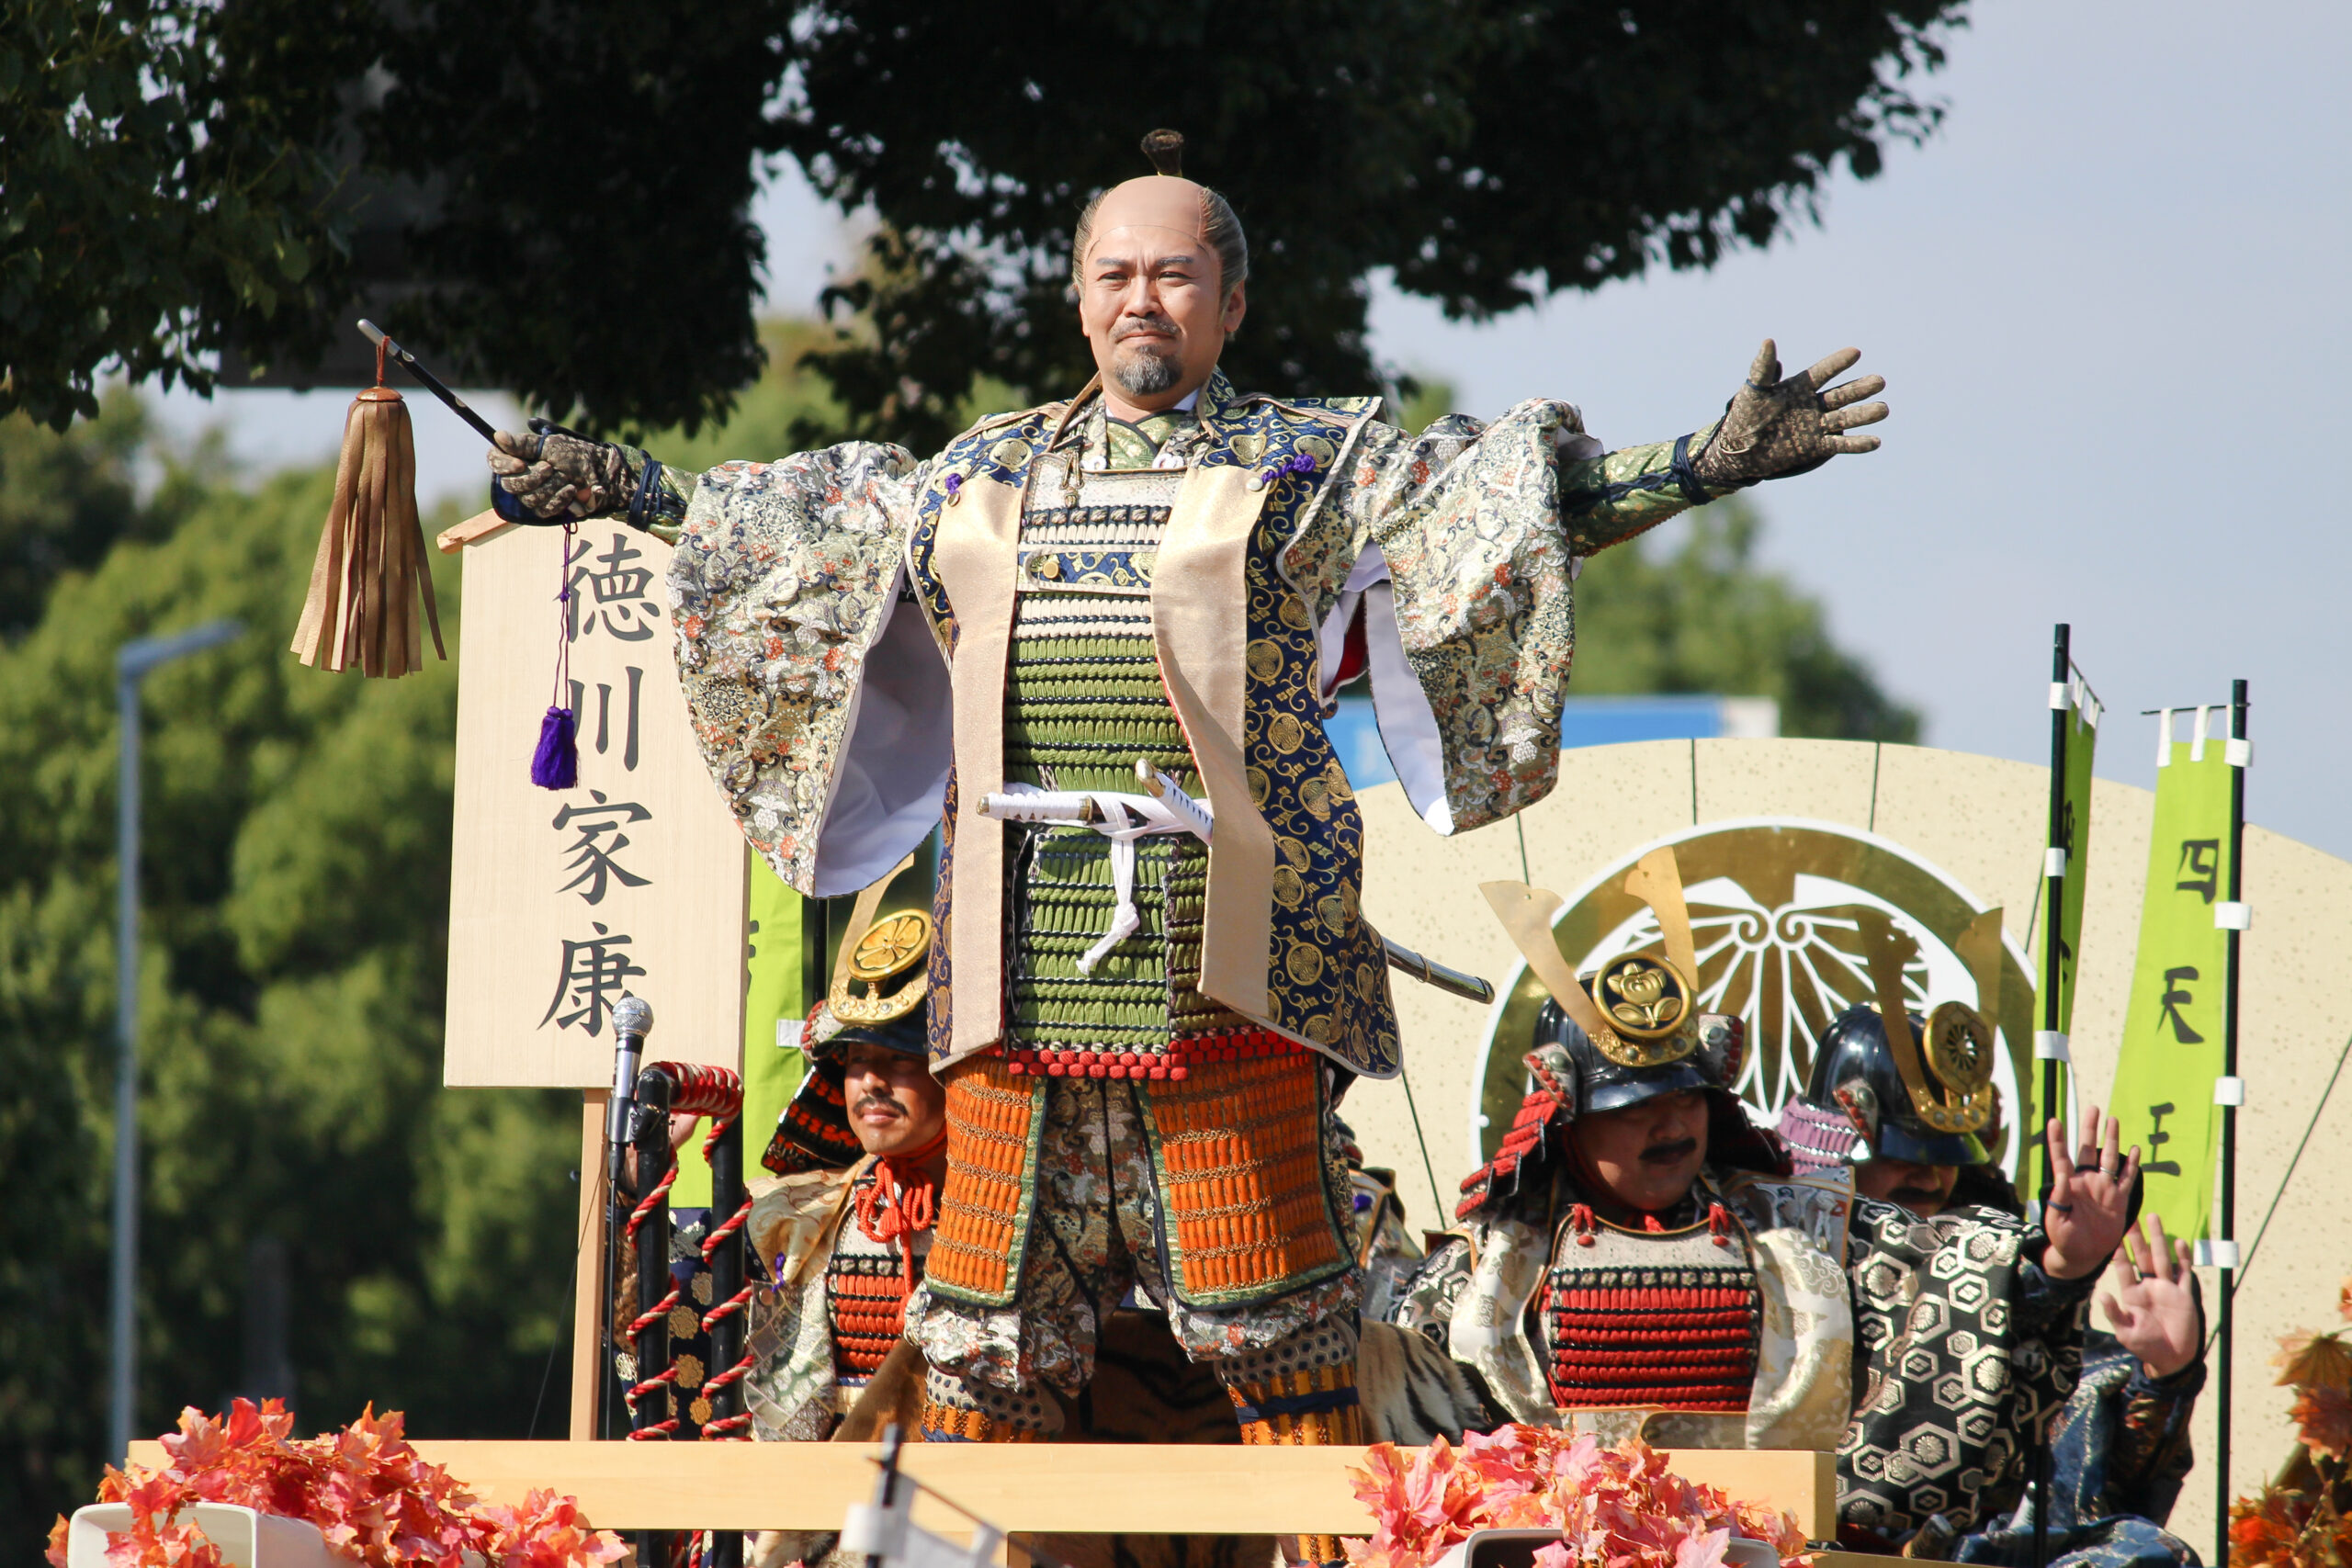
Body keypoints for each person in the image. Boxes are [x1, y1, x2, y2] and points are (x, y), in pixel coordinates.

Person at [489, 127, 1886, 1562]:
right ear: (1079, 299)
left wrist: (1706, 463)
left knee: (1283, 1350)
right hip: (1015, 990)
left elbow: (1521, 505)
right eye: (1114, 272)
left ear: (1229, 302)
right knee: (976, 1357)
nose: (1141, 297)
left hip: (1225, 989)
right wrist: (622, 485)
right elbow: (796, 541)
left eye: (1173, 271)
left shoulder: (1313, 458)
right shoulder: (984, 470)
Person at [1391, 858, 2137, 1552]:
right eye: (1639, 1104)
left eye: (1689, 1095)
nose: (1673, 1122)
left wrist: (2060, 1262)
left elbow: (1944, 1285)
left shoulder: (1798, 1232)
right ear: (1567, 1115)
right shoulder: (1487, 1272)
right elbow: (1418, 1436)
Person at [1779, 1008, 2207, 1565]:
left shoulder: (1998, 1272)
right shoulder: (1776, 1260)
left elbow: (2081, 1478)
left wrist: (2162, 1379)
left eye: (1943, 1157)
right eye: (1902, 1157)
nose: (1930, 1177)